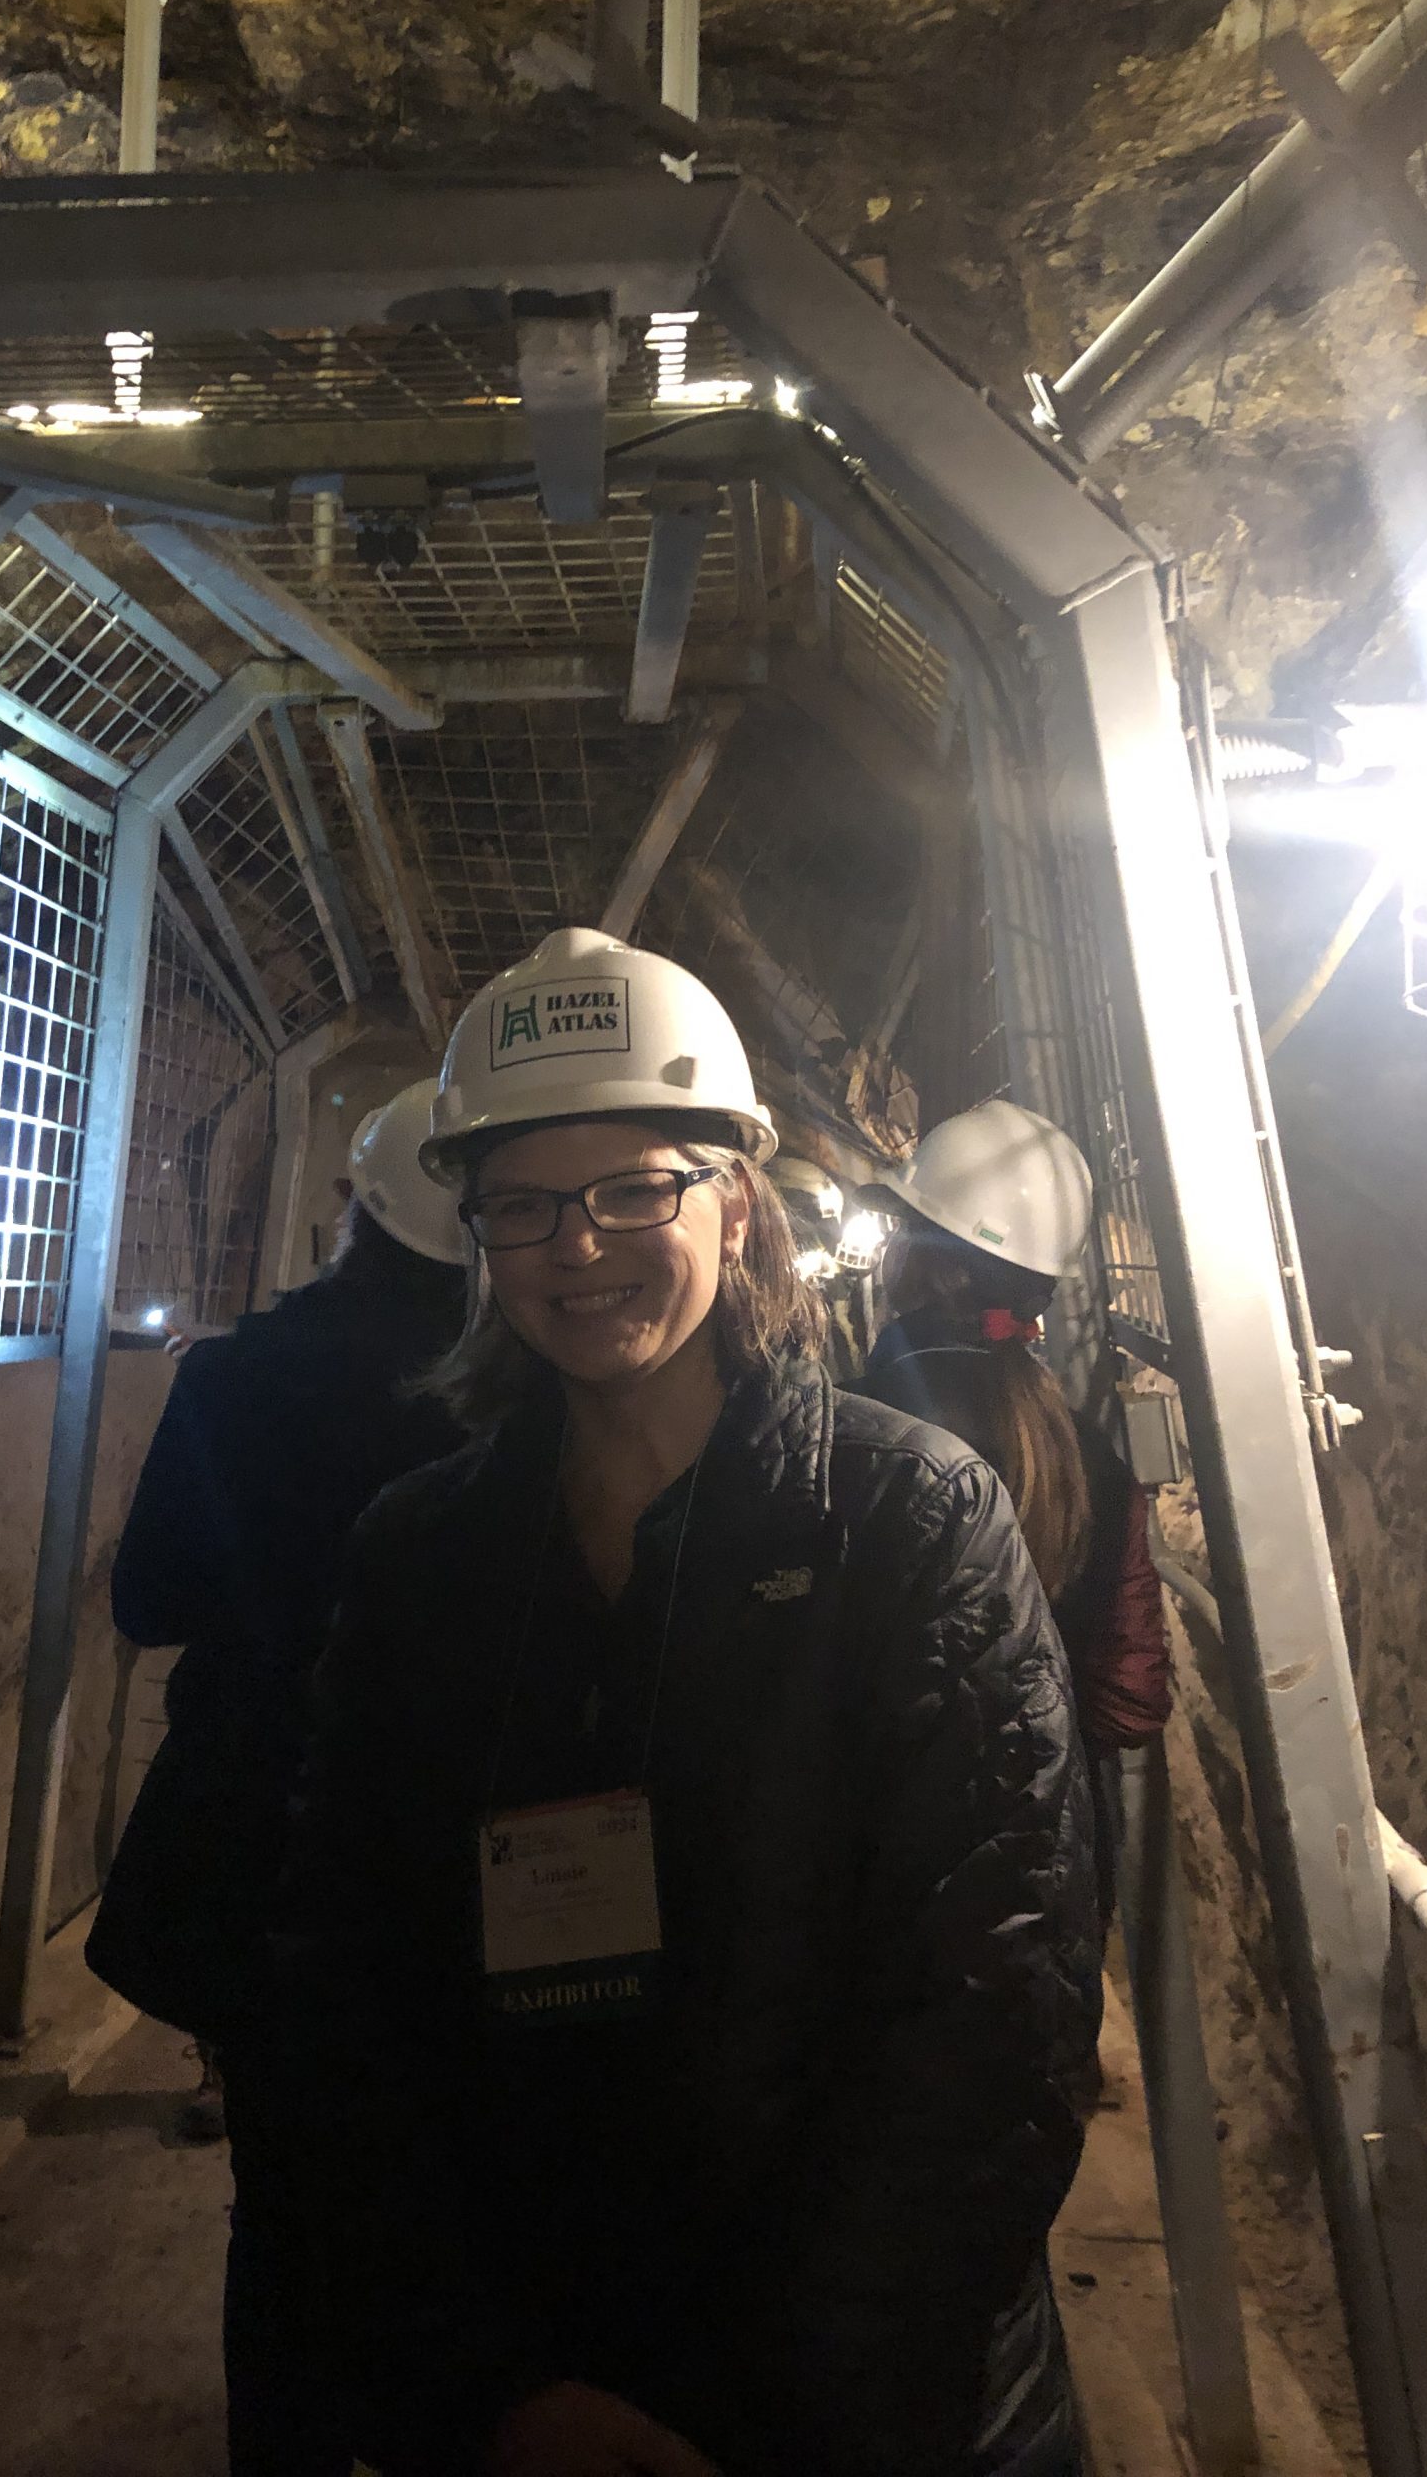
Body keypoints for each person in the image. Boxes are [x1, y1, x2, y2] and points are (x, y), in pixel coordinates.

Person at [276, 928, 1103, 2477]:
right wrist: (500, 2384)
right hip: (535, 2387)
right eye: (523, 1204)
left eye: (634, 1190)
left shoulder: (912, 1521)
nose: (578, 1248)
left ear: (736, 1200)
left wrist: (771, 2414)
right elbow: (347, 1992)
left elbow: (997, 2018)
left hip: (864, 2413)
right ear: (474, 1233)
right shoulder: (424, 1558)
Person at [86, 1076, 466, 2477]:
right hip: (459, 1856)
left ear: (352, 1208)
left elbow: (148, 1599)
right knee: (460, 2193)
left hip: (263, 1843)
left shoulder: (234, 1379)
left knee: (286, 2204)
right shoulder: (517, 1396)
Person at [857, 1100, 1172, 1908]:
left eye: (905, 1232)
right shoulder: (1087, 1454)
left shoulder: (844, 1443)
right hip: (1058, 1862)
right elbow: (1132, 1695)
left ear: (948, 1269)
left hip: (888, 1866)